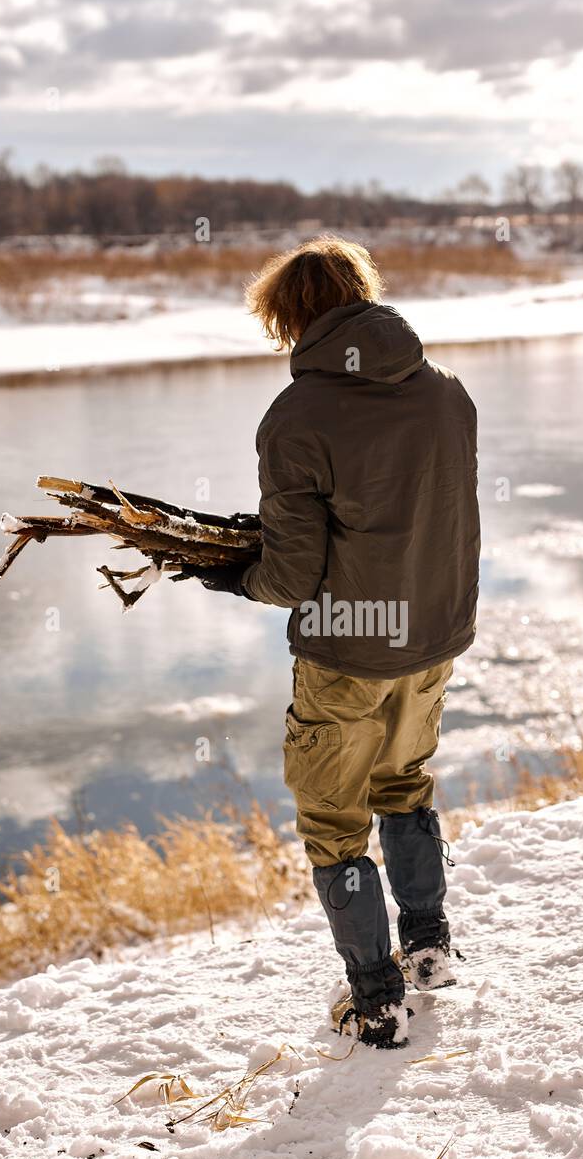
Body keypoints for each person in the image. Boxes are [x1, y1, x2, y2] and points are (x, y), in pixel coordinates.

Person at [187, 235, 479, 1049]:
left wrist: (234, 574)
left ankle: (375, 999)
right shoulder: (447, 392)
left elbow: (290, 574)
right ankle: (427, 947)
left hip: (348, 650)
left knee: (334, 822)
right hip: (433, 637)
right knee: (405, 783)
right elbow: (428, 519)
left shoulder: (298, 416)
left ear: (290, 318)